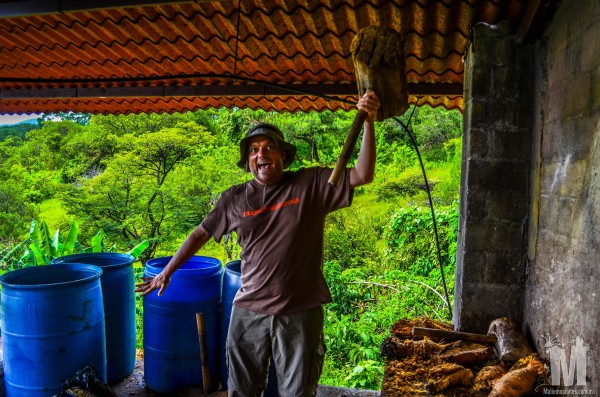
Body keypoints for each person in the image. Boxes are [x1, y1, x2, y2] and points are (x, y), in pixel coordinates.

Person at [135, 90, 380, 397]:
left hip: (299, 313)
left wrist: (369, 120)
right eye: (253, 150)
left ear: (283, 156)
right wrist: (167, 271)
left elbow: (362, 174)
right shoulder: (234, 199)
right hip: (248, 311)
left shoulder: (310, 184)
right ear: (248, 160)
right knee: (242, 391)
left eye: (269, 148)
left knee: (297, 393)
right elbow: (200, 233)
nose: (260, 155)